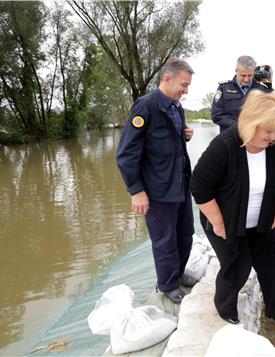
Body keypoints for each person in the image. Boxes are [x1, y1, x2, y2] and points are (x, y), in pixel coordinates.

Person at [190, 90, 275, 335]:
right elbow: (199, 187)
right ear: (251, 122)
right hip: (225, 219)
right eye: (268, 130)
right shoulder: (225, 145)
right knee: (238, 265)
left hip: (261, 219)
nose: (273, 136)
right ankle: (225, 307)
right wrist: (217, 223)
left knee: (268, 264)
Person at [116, 58, 197, 304]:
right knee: (165, 240)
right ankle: (167, 285)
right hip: (158, 190)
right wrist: (136, 190)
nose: (186, 90)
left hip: (180, 185)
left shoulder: (176, 107)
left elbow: (168, 143)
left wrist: (186, 134)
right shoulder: (145, 107)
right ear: (167, 78)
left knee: (185, 234)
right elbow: (126, 154)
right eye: (184, 84)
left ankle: (179, 272)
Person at [211, 55, 264, 132]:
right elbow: (216, 115)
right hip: (230, 139)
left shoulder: (261, 89)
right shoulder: (224, 88)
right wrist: (239, 125)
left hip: (254, 139)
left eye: (250, 75)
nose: (246, 79)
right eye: (243, 75)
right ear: (236, 71)